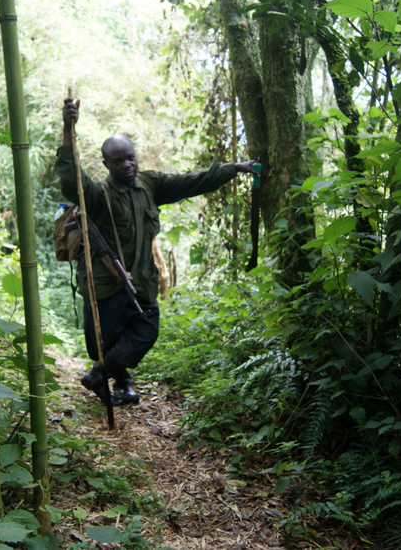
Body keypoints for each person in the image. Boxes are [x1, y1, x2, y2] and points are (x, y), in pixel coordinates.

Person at [56, 98, 259, 406]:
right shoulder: (98, 196)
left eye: (130, 158)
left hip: (141, 282)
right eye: (118, 161)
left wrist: (233, 169)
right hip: (106, 284)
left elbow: (192, 181)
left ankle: (101, 374)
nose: (127, 164)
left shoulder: (149, 184)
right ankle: (118, 380)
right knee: (105, 341)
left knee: (146, 330)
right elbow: (72, 181)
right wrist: (68, 129)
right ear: (107, 165)